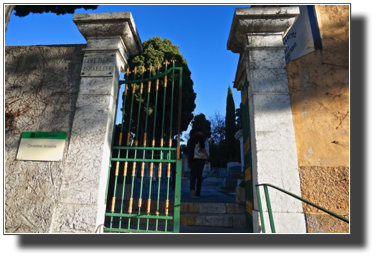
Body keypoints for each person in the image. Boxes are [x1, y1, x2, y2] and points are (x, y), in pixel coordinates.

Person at [187, 127, 210, 199]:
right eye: (201, 132)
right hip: (200, 159)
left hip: (192, 160)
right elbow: (202, 148)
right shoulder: (200, 138)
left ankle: (192, 189)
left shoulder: (190, 140)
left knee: (193, 175)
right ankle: (198, 192)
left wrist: (188, 161)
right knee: (199, 176)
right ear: (198, 131)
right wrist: (207, 156)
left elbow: (188, 151)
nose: (201, 133)